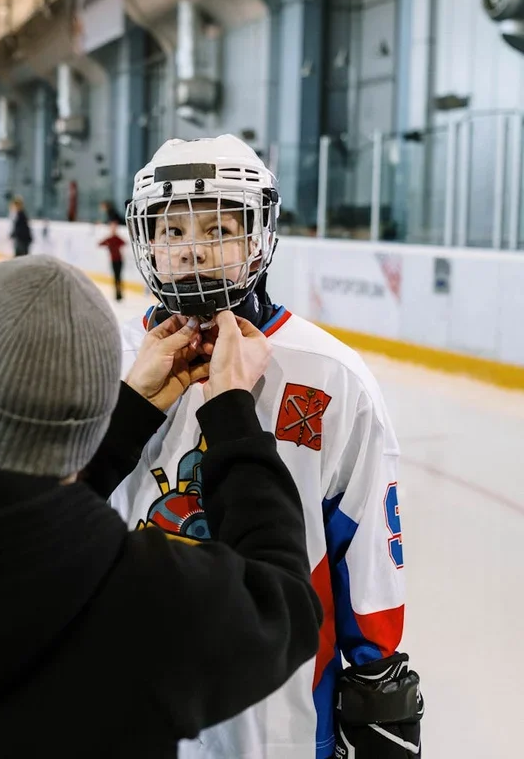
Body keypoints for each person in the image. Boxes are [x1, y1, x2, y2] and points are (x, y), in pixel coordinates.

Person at [0, 255, 323, 758]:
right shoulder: (145, 600)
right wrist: (232, 415)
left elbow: (12, 535)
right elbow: (282, 602)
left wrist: (129, 414)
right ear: (89, 428)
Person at [115, 134, 424, 759]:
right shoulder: (106, 360)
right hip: (130, 698)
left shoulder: (329, 375)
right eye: (172, 232)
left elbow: (365, 550)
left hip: (275, 718)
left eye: (221, 228)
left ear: (259, 237)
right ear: (147, 241)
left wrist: (376, 682)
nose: (194, 251)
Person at [99, 220, 126, 300]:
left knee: (119, 277)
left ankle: (119, 294)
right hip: (113, 260)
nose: (113, 229)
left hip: (120, 260)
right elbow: (100, 243)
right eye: (112, 227)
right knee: (116, 277)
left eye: (115, 227)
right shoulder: (109, 239)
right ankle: (117, 294)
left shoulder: (117, 238)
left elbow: (124, 243)